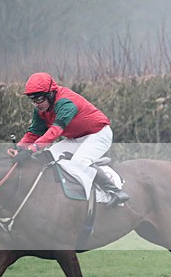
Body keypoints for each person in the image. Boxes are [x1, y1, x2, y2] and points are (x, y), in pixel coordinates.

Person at [14, 72, 130, 206]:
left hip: (99, 134)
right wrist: (20, 147)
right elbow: (34, 132)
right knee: (48, 155)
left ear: (51, 94)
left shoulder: (66, 103)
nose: (36, 104)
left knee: (79, 162)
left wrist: (31, 149)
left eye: (39, 99)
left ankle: (115, 191)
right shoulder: (41, 110)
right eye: (33, 100)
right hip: (78, 137)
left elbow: (55, 132)